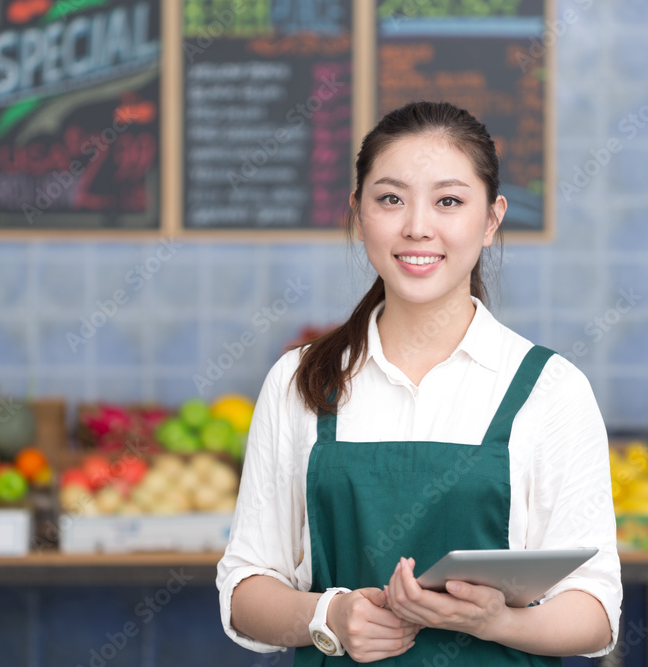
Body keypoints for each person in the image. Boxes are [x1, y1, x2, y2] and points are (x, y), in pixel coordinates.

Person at [216, 101, 621, 665]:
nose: (417, 227)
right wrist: (327, 616)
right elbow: (244, 591)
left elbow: (596, 612)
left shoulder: (551, 389)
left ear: (491, 219)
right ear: (359, 214)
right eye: (390, 199)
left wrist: (498, 620)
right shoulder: (300, 381)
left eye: (449, 201)